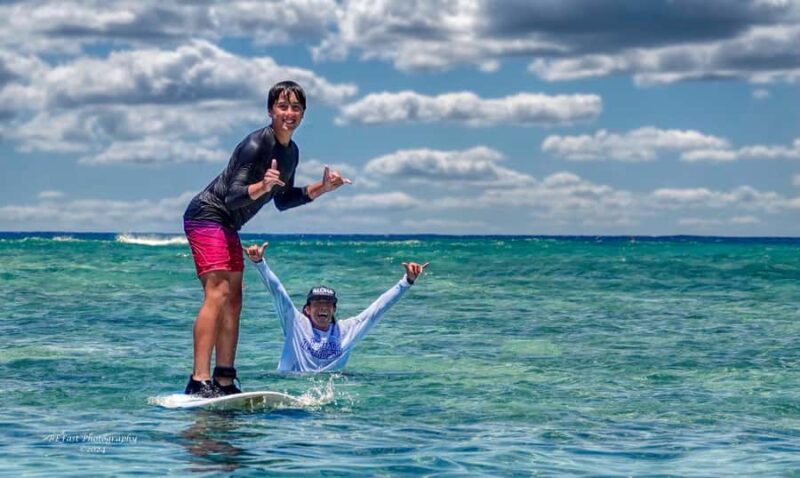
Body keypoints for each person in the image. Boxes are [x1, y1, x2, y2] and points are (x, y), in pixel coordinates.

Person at [182, 80, 351, 397]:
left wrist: (323, 188)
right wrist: (262, 186)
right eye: (283, 106)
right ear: (271, 110)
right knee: (217, 294)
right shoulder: (255, 146)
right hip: (206, 216)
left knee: (234, 300)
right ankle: (199, 379)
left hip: (228, 226)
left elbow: (284, 200)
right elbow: (232, 197)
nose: (290, 113)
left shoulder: (291, 153)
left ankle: (224, 379)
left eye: (296, 107)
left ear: (303, 114)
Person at [244, 242, 429, 372]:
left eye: (328, 304)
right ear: (307, 310)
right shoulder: (295, 322)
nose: (322, 307)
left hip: (327, 389)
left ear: (333, 310)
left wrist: (407, 281)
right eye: (317, 303)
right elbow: (278, 292)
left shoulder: (347, 330)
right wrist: (260, 263)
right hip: (290, 383)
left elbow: (378, 308)